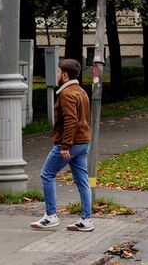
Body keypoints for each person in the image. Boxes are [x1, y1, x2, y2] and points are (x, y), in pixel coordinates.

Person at [31, 58, 93, 232]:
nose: (57, 75)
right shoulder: (81, 91)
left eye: (58, 72)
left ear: (65, 75)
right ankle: (86, 219)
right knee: (82, 181)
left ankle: (51, 216)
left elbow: (70, 120)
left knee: (47, 174)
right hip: (83, 142)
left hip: (70, 144)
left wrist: (65, 146)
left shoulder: (66, 94)